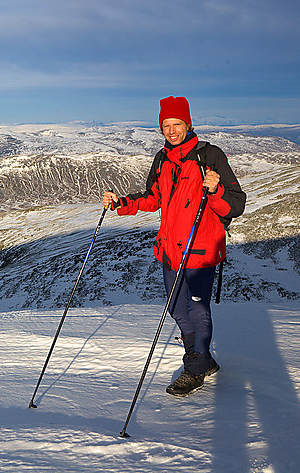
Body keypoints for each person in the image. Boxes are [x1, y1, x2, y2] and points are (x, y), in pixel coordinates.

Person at [103, 96, 246, 396]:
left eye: (176, 124)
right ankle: (203, 358)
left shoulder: (210, 156)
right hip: (169, 251)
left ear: (188, 124)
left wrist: (215, 190)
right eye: (166, 125)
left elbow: (235, 203)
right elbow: (153, 198)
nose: (171, 130)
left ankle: (194, 368)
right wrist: (121, 203)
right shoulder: (162, 159)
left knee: (197, 311)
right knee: (177, 311)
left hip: (200, 250)